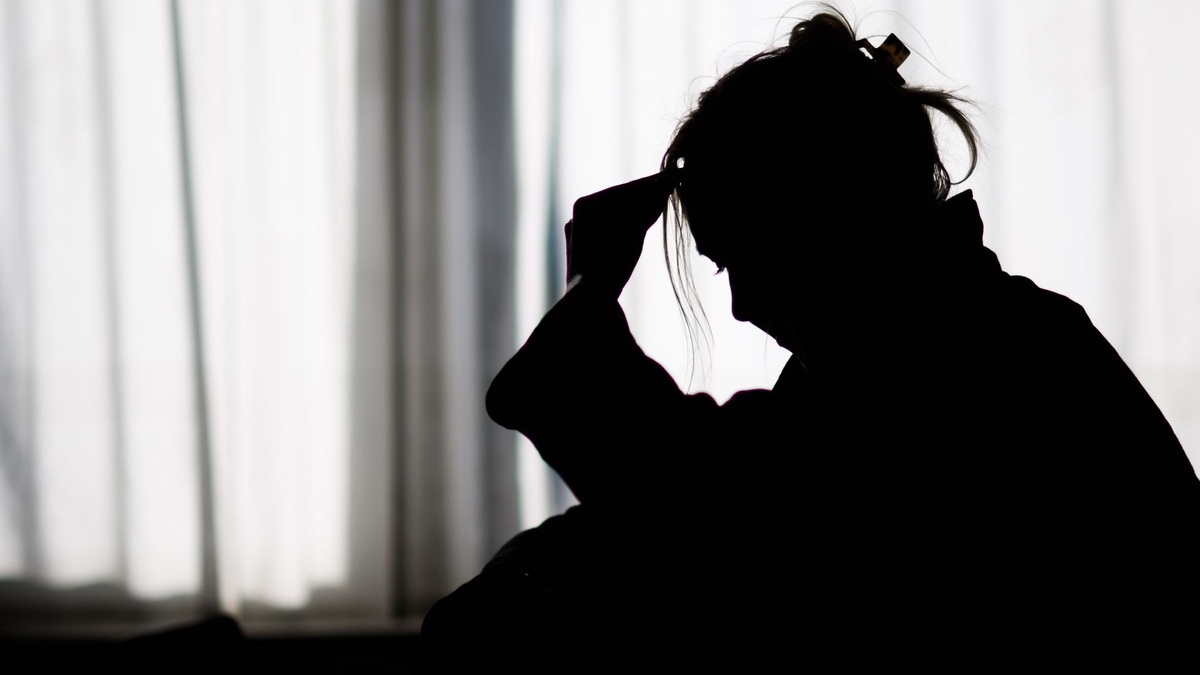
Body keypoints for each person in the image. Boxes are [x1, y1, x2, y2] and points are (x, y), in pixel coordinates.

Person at [420, 9, 1200, 671]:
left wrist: (591, 294)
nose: (742, 306)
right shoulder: (969, 338)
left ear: (829, 213)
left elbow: (708, 495)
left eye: (745, 253)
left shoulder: (972, 367)